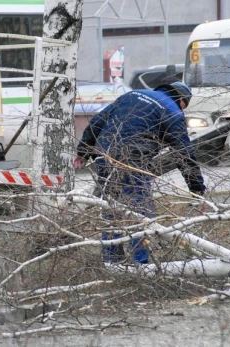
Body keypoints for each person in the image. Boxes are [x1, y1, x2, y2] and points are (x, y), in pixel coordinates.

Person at [74, 81, 206, 264]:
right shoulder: (173, 113)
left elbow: (97, 121)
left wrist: (83, 152)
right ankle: (141, 264)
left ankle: (112, 262)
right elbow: (185, 155)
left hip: (105, 156)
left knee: (112, 210)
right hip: (133, 161)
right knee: (140, 212)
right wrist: (196, 189)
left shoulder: (131, 95)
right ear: (182, 101)